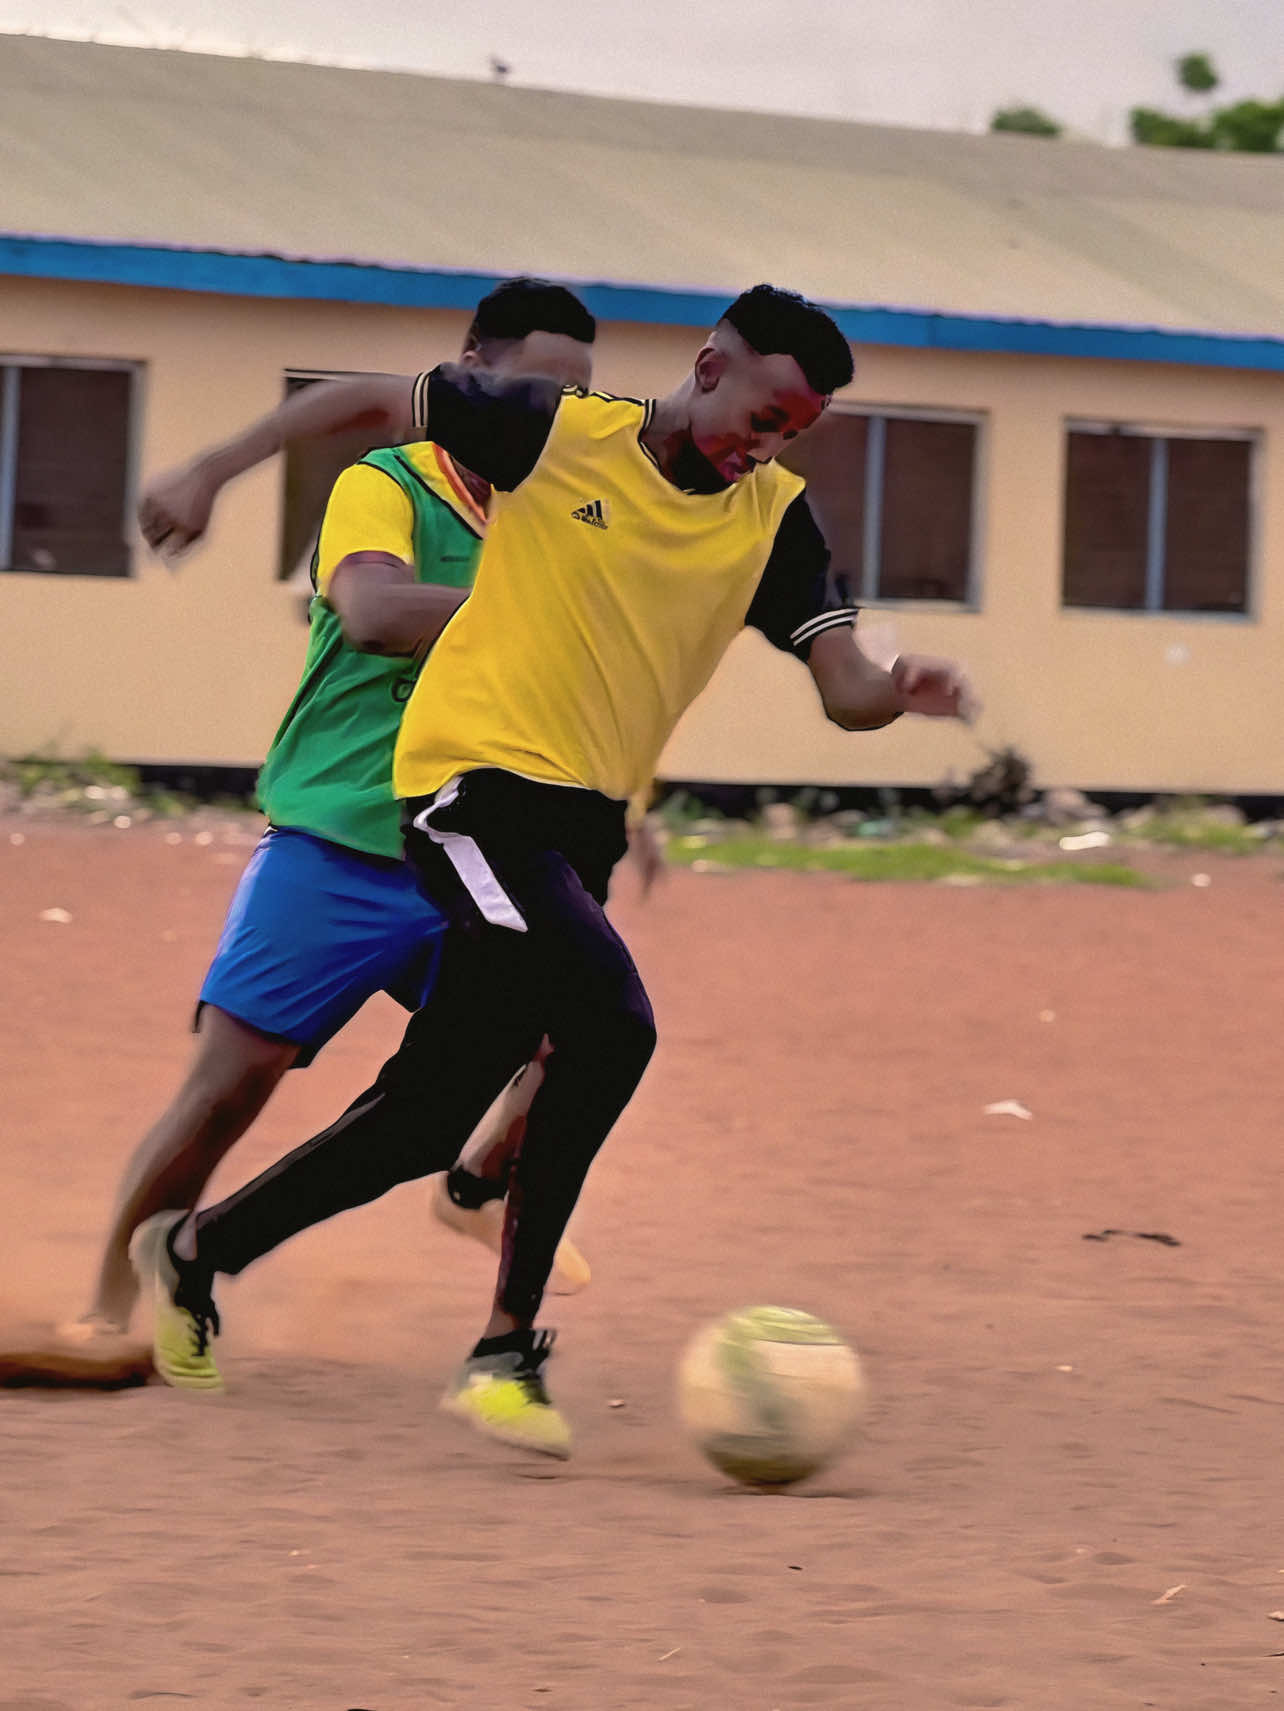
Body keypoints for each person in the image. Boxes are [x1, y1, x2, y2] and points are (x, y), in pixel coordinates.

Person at [134, 283, 975, 1455]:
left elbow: (844, 689)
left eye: (795, 430)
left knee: (424, 1117)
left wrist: (901, 689)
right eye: (762, 411)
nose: (765, 442)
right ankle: (504, 1350)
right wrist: (209, 472)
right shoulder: (561, 431)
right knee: (611, 1022)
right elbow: (375, 398)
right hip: (467, 788)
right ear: (710, 365)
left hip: (579, 820)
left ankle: (193, 1250)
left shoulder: (773, 519)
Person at [77, 279, 600, 1366]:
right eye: (538, 386)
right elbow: (371, 611)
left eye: (577, 399)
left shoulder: (566, 513)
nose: (554, 414)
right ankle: (103, 1313)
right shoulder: (391, 485)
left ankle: (472, 1181)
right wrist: (212, 470)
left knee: (581, 1024)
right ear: (474, 370)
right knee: (227, 1089)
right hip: (340, 842)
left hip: (473, 852)